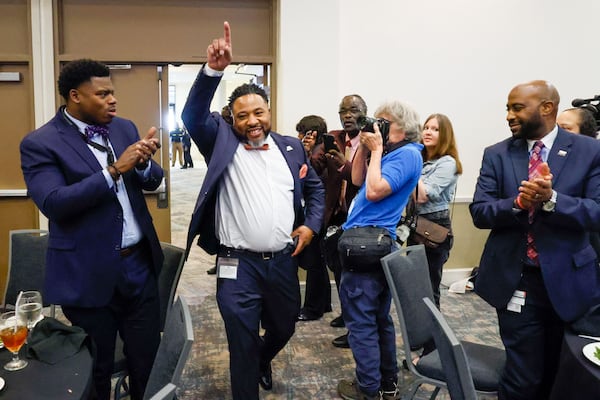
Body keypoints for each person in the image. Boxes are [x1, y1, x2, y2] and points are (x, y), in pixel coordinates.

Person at [181, 22, 324, 400]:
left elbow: (315, 188)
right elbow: (193, 117)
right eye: (242, 116)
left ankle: (264, 358)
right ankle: (249, 373)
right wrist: (213, 70)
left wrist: (310, 226)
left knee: (284, 327)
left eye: (258, 113)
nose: (252, 122)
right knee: (240, 344)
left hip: (281, 262)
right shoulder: (221, 141)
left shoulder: (292, 147)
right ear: (232, 118)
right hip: (236, 266)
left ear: (269, 111)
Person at [20, 59, 164, 400]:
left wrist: (142, 166)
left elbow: (153, 178)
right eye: (102, 93)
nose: (112, 100)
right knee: (94, 367)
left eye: (113, 91)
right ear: (75, 97)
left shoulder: (123, 128)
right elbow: (54, 202)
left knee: (146, 359)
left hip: (138, 266)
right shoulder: (41, 143)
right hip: (86, 271)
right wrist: (114, 170)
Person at [470, 80, 600, 400]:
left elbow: (597, 212)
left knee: (563, 372)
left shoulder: (589, 151)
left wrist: (552, 199)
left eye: (517, 108)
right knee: (522, 377)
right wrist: (517, 204)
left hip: (570, 283)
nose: (509, 116)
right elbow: (480, 212)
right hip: (516, 281)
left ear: (547, 108)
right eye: (508, 108)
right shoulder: (497, 154)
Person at [337, 100, 423, 400]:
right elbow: (359, 179)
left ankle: (368, 387)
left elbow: (374, 191)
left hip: (369, 244)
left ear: (404, 128)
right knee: (377, 319)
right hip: (370, 242)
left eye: (385, 122)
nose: (379, 126)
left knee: (361, 322)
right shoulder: (390, 152)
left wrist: (375, 150)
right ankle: (386, 384)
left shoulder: (409, 154)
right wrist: (365, 144)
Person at [324, 94, 369, 349]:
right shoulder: (335, 137)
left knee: (356, 275)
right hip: (336, 214)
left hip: (359, 217)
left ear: (364, 112)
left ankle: (356, 329)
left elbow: (361, 180)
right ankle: (347, 313)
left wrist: (345, 165)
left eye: (353, 110)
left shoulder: (371, 142)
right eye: (343, 111)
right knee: (339, 270)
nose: (347, 115)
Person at [408, 113, 462, 308]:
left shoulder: (447, 163)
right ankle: (419, 334)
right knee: (414, 286)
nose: (428, 132)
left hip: (434, 229)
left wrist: (412, 166)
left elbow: (422, 195)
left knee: (429, 288)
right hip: (415, 226)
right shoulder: (420, 160)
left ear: (445, 135)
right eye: (426, 127)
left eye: (435, 129)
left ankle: (432, 336)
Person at [294, 115, 333, 321]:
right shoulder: (321, 151)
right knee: (318, 261)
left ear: (312, 134)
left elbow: (310, 175)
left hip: (319, 215)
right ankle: (323, 303)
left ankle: (313, 307)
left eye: (302, 132)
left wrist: (305, 153)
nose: (299, 136)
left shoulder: (320, 154)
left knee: (315, 264)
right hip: (322, 213)